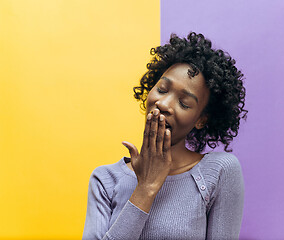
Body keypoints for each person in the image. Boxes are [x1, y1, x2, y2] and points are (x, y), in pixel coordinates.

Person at [82, 32, 248, 240]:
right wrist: (146, 187)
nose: (164, 104)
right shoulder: (105, 180)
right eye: (161, 89)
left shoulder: (219, 172)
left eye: (184, 103)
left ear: (201, 119)